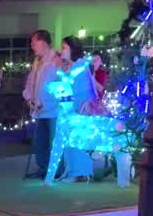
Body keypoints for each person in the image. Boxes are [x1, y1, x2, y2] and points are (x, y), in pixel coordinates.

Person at [51, 36, 98, 182]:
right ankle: (72, 171)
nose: (61, 50)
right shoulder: (70, 67)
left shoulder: (81, 66)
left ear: (73, 49)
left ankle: (79, 172)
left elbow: (83, 90)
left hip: (79, 110)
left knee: (76, 140)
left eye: (64, 47)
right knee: (68, 140)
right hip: (69, 110)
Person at [22, 29, 58, 179]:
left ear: (43, 42)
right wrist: (29, 98)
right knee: (41, 141)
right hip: (39, 108)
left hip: (53, 109)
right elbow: (30, 83)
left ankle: (55, 170)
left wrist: (46, 103)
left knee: (54, 140)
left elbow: (58, 86)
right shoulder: (37, 62)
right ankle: (43, 167)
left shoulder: (56, 60)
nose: (32, 45)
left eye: (34, 42)